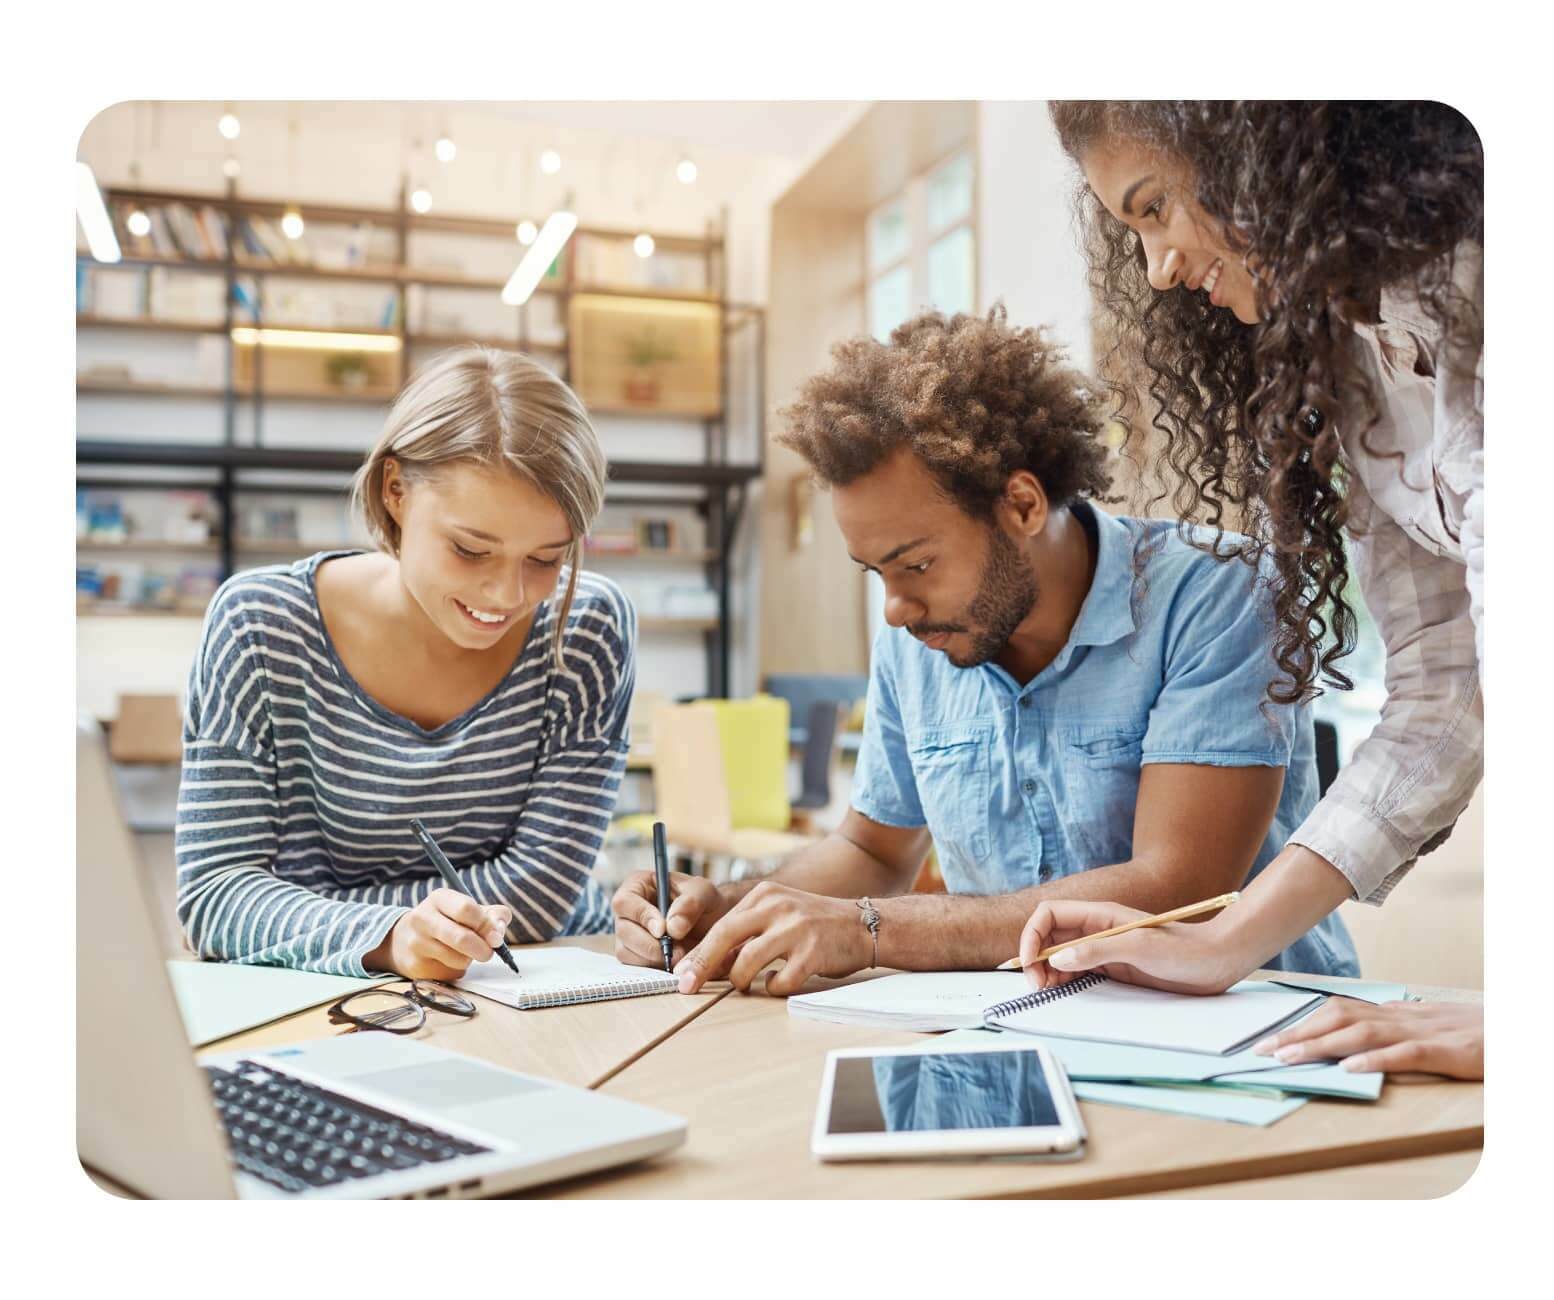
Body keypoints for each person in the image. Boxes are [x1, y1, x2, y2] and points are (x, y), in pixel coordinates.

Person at [613, 306, 1357, 995]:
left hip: (1251, 1027)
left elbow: (1180, 893)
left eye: (916, 564)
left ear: (1023, 504)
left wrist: (871, 931)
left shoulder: (1216, 593)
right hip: (1021, 1023)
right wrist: (732, 909)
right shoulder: (918, 640)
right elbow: (874, 852)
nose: (896, 609)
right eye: (876, 573)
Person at [1015, 102, 1484, 1079]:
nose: (1158, 269)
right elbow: (1445, 688)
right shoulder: (1354, 363)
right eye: (1130, 233)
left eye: (1155, 209)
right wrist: (1224, 940)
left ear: (1266, 151)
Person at [175, 346, 634, 978]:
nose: (508, 596)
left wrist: (306, 915)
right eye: (471, 550)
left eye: (546, 559)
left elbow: (541, 893)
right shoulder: (260, 626)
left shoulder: (585, 628)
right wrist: (389, 936)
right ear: (396, 491)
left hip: (541, 979)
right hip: (329, 1002)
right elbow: (214, 896)